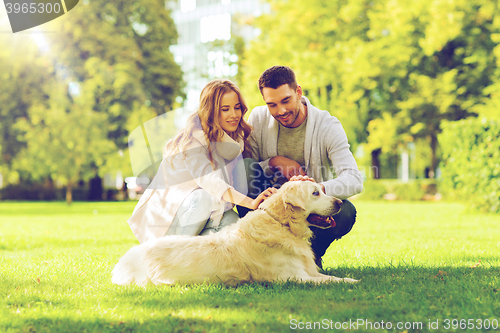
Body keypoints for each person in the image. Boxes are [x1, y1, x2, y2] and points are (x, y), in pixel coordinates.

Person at [127, 79, 276, 244]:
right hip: (172, 217)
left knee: (232, 229)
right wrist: (251, 203)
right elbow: (209, 181)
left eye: (237, 107)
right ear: (211, 112)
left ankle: (194, 260)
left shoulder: (236, 140)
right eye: (225, 109)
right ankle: (170, 256)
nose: (234, 115)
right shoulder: (194, 139)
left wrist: (275, 164)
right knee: (203, 198)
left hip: (211, 212)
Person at [244, 66, 363, 268]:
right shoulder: (258, 118)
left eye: (286, 100)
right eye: (271, 105)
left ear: (298, 92)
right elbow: (246, 170)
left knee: (346, 212)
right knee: (245, 168)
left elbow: (354, 179)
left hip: (307, 209)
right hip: (269, 209)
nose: (280, 111)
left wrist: (316, 189)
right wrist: (273, 162)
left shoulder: (328, 126)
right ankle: (259, 254)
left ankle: (310, 255)